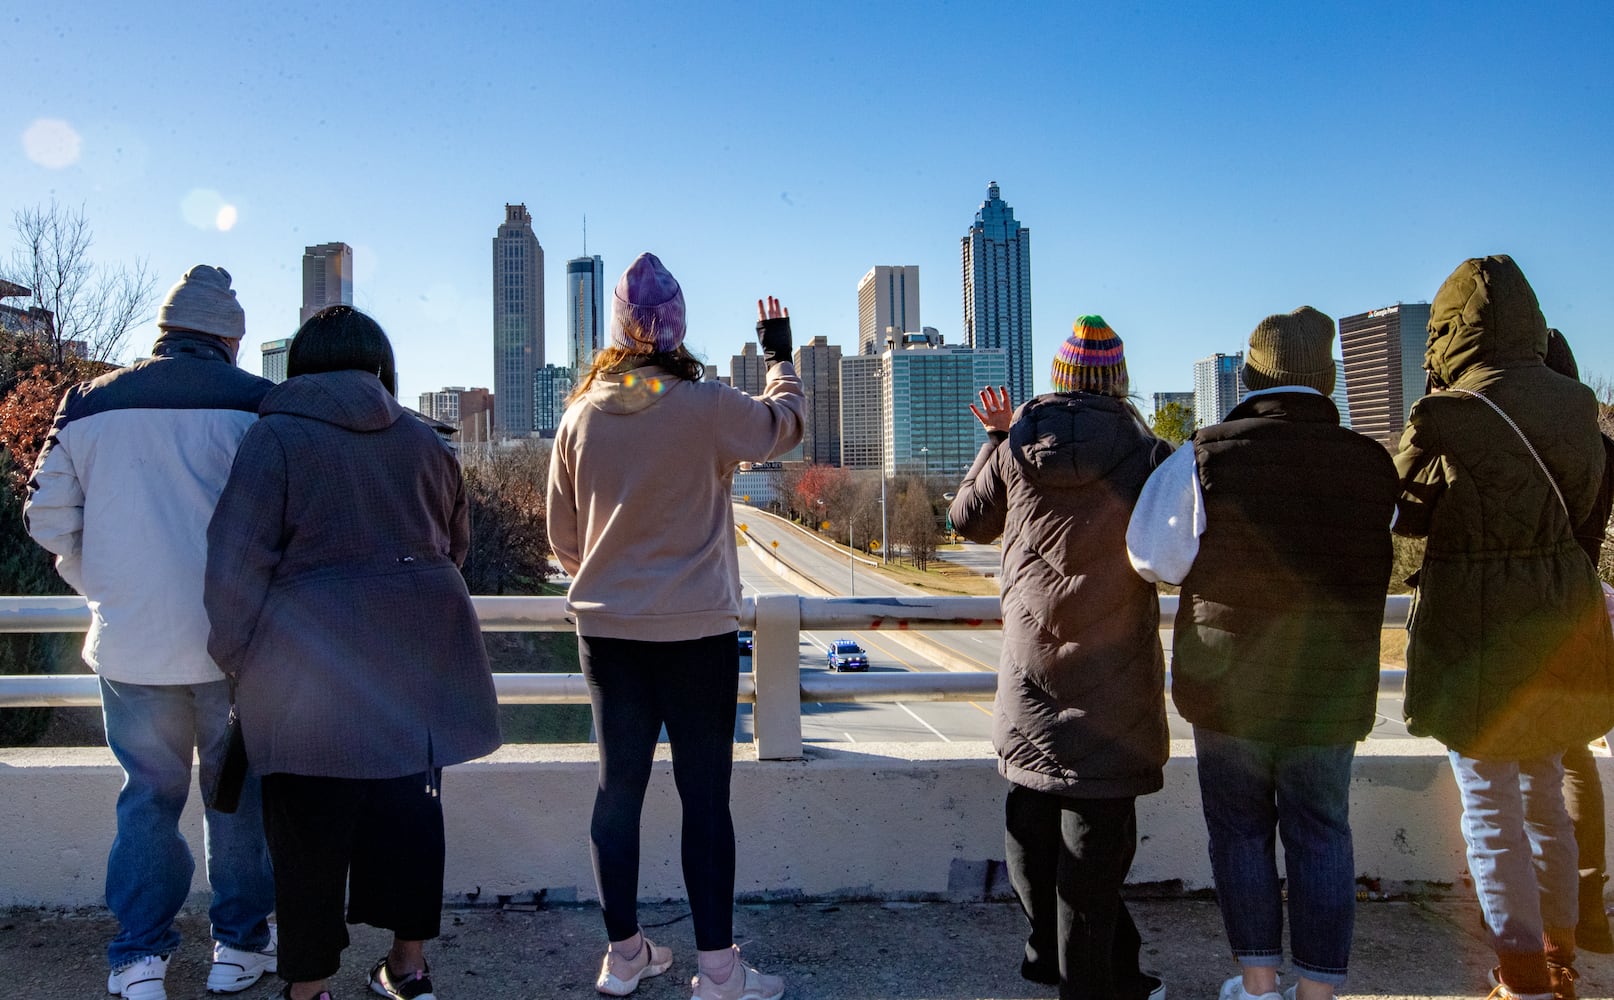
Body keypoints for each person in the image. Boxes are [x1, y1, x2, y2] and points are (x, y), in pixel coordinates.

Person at [204, 306, 501, 1000]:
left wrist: (239, 658)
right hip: (413, 677)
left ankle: (307, 990)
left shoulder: (273, 439)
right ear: (380, 366)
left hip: (305, 677)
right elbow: (453, 551)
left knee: (306, 839)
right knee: (411, 819)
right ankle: (409, 968)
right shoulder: (429, 444)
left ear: (301, 365)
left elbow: (233, 566)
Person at [546, 253, 804, 1000]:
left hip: (608, 633)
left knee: (615, 791)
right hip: (696, 635)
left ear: (619, 328)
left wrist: (613, 571)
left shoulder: (580, 414)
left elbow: (564, 541)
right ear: (679, 324)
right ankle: (719, 971)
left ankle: (625, 956)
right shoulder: (706, 403)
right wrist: (779, 356)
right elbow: (782, 426)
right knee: (704, 797)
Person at [1126, 307, 1398, 1000]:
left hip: (1230, 689)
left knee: (1241, 832)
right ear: (1330, 378)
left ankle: (1257, 982)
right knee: (1323, 833)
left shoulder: (1204, 456)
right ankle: (1318, 993)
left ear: (1247, 376)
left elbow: (1152, 559)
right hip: (1330, 688)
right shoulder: (1371, 464)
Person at [24, 265, 277, 1000]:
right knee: (237, 802)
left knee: (146, 799)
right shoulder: (261, 405)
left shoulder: (89, 404)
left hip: (131, 648)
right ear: (230, 338)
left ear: (163, 332)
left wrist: (103, 584)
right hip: (233, 648)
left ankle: (138, 960)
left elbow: (46, 517)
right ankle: (240, 946)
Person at [1393, 256, 1614, 1000]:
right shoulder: (1579, 404)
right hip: (1560, 617)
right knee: (1546, 792)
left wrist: (1431, 413)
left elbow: (1404, 517)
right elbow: (1583, 508)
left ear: (1451, 329)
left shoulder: (1448, 414)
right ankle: (1561, 962)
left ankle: (1518, 975)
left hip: (1478, 627)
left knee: (1489, 806)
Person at [947, 316, 1172, 1000]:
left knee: (1032, 821)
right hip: (1115, 684)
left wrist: (994, 441)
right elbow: (1175, 557)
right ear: (1119, 378)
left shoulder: (1018, 444)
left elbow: (967, 521)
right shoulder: (1152, 454)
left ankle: (1049, 956)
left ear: (1062, 376)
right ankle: (1091, 981)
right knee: (1095, 852)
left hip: (1030, 675)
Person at [1541, 327, 1614, 954]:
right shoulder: (1599, 447)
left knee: (1507, 763)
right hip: (1585, 606)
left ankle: (1541, 915)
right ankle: (1589, 906)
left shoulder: (1511, 442)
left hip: (1527, 611)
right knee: (1573, 760)